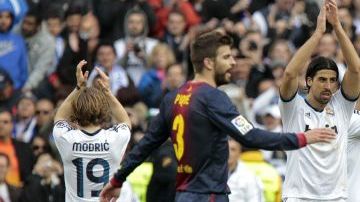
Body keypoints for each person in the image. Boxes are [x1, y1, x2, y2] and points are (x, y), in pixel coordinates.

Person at [100, 30, 335, 202]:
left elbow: (145, 146)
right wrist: (304, 137)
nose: (233, 62)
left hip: (182, 196)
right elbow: (251, 137)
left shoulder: (173, 97)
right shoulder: (213, 98)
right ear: (209, 62)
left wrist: (116, 180)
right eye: (226, 57)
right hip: (209, 195)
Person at [278, 1, 360, 201]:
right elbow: (289, 73)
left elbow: (356, 70)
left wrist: (338, 28)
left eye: (332, 80)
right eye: (322, 79)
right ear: (308, 81)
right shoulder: (293, 107)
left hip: (337, 197)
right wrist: (318, 33)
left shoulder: (341, 107)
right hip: (299, 196)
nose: (328, 85)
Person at [52, 60, 132, 202]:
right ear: (104, 113)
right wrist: (107, 92)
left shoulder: (67, 139)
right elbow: (125, 121)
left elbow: (60, 117)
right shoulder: (114, 138)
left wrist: (78, 87)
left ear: (75, 113)